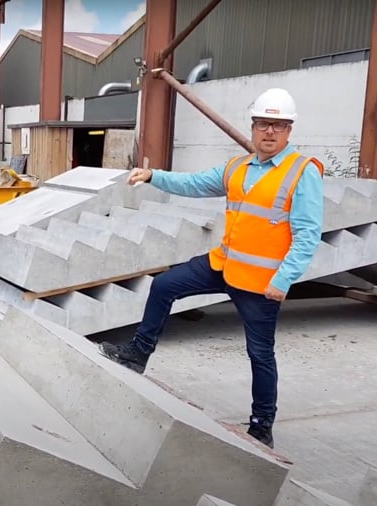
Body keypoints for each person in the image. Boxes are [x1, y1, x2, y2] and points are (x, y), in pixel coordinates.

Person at [98, 87, 324, 449]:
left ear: (289, 131)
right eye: (263, 124)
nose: (269, 132)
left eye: (278, 126)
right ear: (252, 127)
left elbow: (309, 234)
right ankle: (138, 354)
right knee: (164, 286)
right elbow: (194, 183)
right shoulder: (238, 167)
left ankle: (262, 425)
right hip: (222, 264)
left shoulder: (303, 173)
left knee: (260, 354)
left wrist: (284, 279)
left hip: (261, 282)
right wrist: (153, 175)